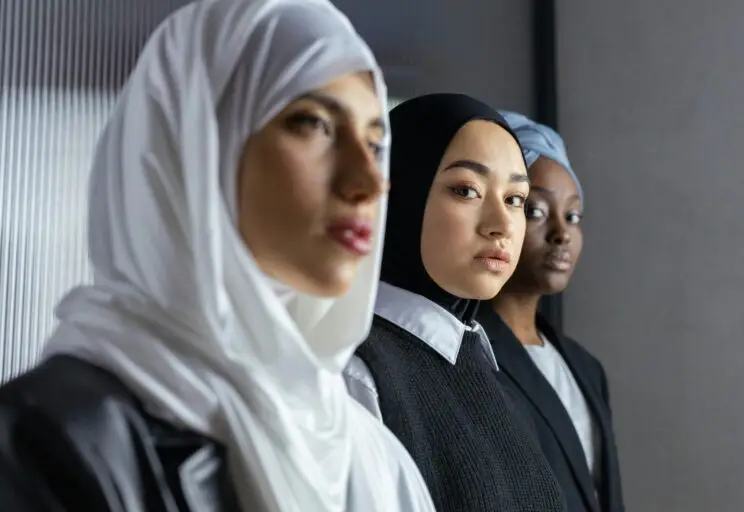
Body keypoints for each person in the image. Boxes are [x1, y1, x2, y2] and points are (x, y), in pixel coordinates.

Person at [0, 1, 437, 511]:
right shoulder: (49, 440)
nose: (369, 182)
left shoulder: (371, 457)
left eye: (375, 142)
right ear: (192, 144)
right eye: (313, 124)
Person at [344, 93, 565, 512]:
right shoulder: (359, 373)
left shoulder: (479, 362)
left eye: (515, 200)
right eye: (466, 190)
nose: (501, 226)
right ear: (401, 192)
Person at [477, 112, 625, 512]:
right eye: (535, 210)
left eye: (573, 216)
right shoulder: (468, 356)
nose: (562, 233)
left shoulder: (584, 367)